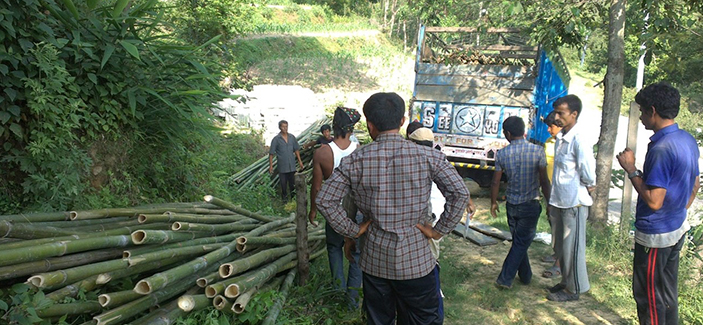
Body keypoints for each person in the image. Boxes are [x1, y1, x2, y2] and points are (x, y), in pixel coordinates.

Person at [316, 92, 470, 324]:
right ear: (402, 121)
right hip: (417, 262)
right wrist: (438, 230)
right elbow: (459, 193)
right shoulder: (428, 156)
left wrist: (352, 231)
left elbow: (324, 200)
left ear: (369, 125)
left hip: (375, 263)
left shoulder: (355, 161)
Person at [616, 82, 699, 325]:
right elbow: (694, 184)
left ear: (653, 110)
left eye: (642, 111)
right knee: (667, 293)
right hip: (676, 229)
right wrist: (678, 212)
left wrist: (631, 170)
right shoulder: (686, 139)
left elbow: (654, 201)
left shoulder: (662, 148)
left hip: (656, 236)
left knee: (649, 298)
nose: (641, 117)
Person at [406, 126, 476, 319]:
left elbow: (460, 193)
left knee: (429, 269)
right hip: (433, 221)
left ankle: (435, 312)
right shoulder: (438, 159)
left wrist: (437, 231)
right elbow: (460, 191)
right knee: (428, 265)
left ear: (411, 142)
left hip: (427, 223)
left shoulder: (415, 160)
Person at [308, 107, 363, 306]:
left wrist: (313, 211)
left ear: (334, 127)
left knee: (334, 248)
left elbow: (316, 187)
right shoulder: (358, 150)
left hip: (333, 211)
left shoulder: (322, 152)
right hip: (354, 211)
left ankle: (337, 293)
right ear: (351, 129)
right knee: (356, 253)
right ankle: (352, 301)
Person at [489, 116, 551, 289]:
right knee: (521, 242)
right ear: (523, 131)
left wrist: (493, 202)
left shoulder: (502, 154)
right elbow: (544, 181)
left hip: (512, 204)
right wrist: (549, 203)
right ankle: (505, 278)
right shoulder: (538, 151)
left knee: (519, 241)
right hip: (530, 204)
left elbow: (495, 182)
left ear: (508, 133)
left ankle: (525, 276)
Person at [547, 94, 595, 302]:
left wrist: (588, 186)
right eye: (556, 112)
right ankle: (566, 282)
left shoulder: (579, 138)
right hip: (559, 199)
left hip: (573, 201)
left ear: (574, 114)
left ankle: (574, 290)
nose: (557, 116)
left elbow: (588, 172)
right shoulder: (561, 137)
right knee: (560, 247)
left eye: (561, 113)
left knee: (572, 248)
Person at [542, 111, 563, 279]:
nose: (549, 129)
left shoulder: (567, 143)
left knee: (563, 228)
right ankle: (556, 254)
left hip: (562, 192)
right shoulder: (549, 143)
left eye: (552, 126)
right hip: (549, 191)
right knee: (553, 224)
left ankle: (560, 264)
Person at [268, 120, 304, 201]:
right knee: (283, 185)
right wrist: (271, 166)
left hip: (292, 166)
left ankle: (293, 200)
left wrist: (300, 161)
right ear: (280, 127)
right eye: (283, 127)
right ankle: (284, 201)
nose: (285, 128)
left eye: (286, 126)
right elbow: (271, 153)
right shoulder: (276, 139)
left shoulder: (292, 137)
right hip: (282, 166)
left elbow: (296, 150)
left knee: (293, 184)